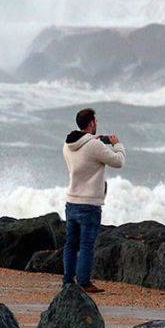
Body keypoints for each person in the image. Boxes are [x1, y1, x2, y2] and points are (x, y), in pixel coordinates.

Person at [63, 108, 126, 293]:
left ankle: (68, 280)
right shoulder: (94, 146)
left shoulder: (67, 145)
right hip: (89, 203)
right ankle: (84, 282)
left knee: (71, 244)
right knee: (86, 245)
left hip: (71, 200)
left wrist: (94, 141)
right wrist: (117, 144)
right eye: (95, 121)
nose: (96, 124)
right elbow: (118, 161)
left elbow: (84, 157)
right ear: (91, 124)